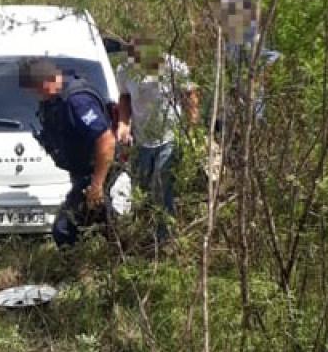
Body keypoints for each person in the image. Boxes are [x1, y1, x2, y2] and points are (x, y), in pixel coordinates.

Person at [19, 58, 116, 247]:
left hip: (99, 174)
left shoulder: (76, 101)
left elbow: (106, 140)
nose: (35, 96)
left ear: (46, 83)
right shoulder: (55, 100)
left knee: (65, 230)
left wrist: (97, 184)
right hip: (82, 175)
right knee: (95, 227)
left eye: (35, 90)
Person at [115, 37, 199, 242]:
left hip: (169, 135)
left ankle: (165, 239)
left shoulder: (174, 67)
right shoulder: (125, 71)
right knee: (141, 189)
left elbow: (190, 96)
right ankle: (143, 236)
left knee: (162, 183)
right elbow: (124, 98)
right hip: (142, 139)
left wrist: (193, 130)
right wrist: (123, 124)